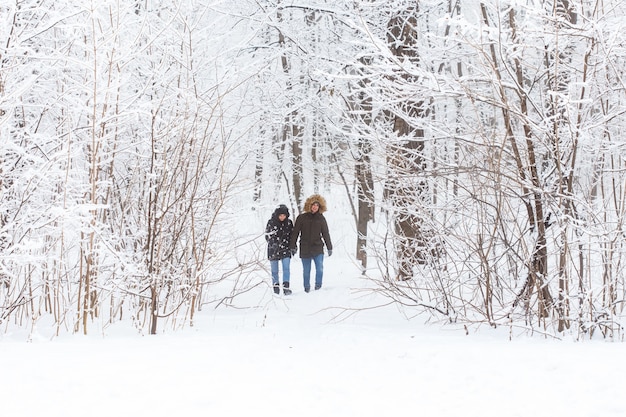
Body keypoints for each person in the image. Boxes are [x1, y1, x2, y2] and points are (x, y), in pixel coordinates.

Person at [289, 194, 333, 292]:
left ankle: (318, 286)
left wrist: (329, 247)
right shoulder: (301, 218)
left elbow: (325, 233)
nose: (315, 207)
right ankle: (307, 288)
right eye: (313, 205)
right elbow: (295, 232)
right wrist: (293, 246)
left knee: (320, 268)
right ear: (309, 205)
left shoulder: (321, 219)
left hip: (318, 247)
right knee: (306, 271)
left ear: (320, 207)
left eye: (317, 205)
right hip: (305, 247)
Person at [265, 204, 293, 295]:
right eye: (280, 215)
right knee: (274, 270)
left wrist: (293, 246)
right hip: (273, 249)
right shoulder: (271, 222)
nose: (282, 217)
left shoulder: (289, 223)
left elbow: (292, 236)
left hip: (286, 248)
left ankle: (286, 287)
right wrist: (273, 243)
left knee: (286, 268)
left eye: (284, 215)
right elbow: (267, 235)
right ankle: (276, 288)